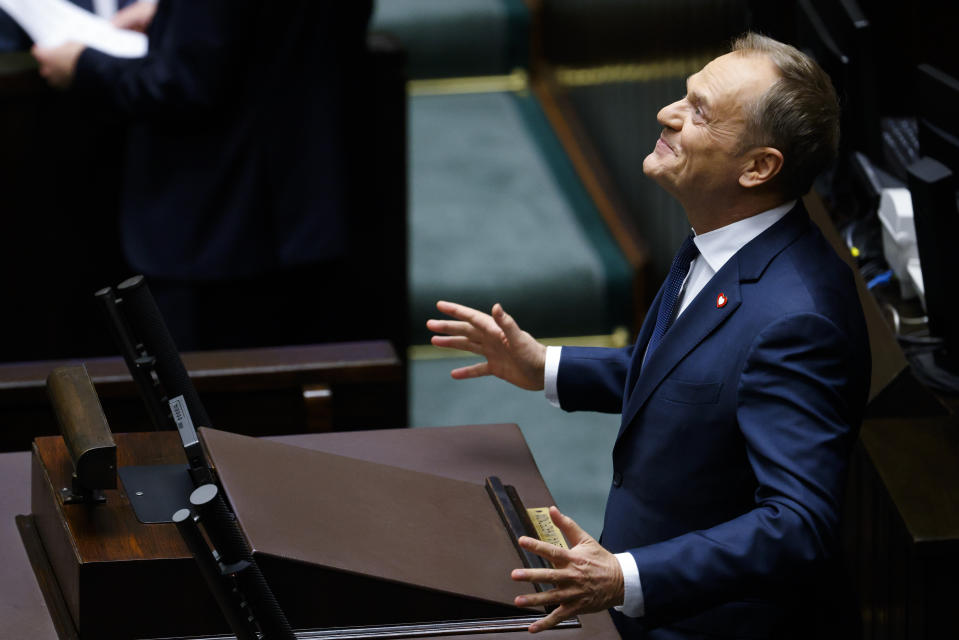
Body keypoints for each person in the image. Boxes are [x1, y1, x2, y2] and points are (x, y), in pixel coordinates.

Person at [428, 33, 871, 639]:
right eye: (684, 95)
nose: (667, 113)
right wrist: (547, 366)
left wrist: (625, 577)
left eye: (699, 111)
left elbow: (798, 523)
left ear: (758, 167)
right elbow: (693, 373)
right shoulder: (723, 239)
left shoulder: (799, 321)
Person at [30, 0, 373, 350]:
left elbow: (184, 84)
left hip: (217, 224)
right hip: (314, 201)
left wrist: (83, 65)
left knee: (208, 396)